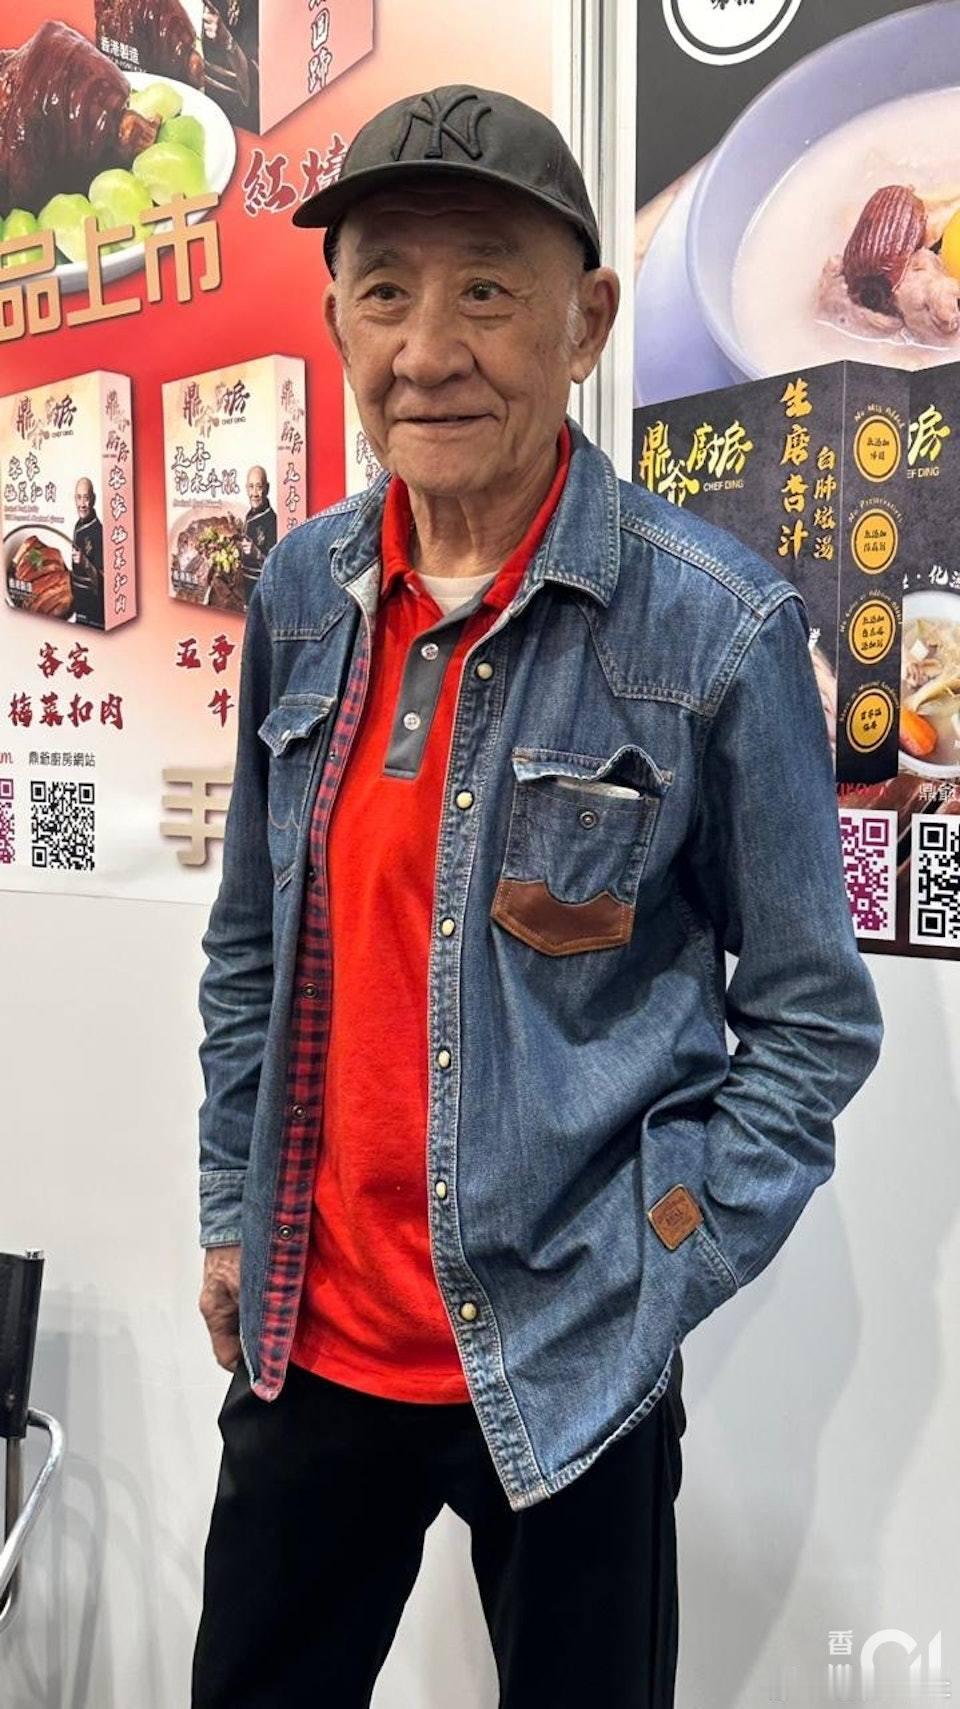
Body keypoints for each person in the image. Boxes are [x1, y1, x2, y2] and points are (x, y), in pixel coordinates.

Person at [192, 84, 883, 1709]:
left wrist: (659, 1256)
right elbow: (249, 946)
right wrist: (230, 1206)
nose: (429, 349)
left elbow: (811, 1024)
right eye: (384, 288)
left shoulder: (713, 625)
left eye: (488, 289)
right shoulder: (301, 591)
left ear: (587, 322)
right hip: (311, 1341)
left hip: (573, 1368)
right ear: (338, 321)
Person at [239, 464, 277, 602]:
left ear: (267, 488)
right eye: (251, 487)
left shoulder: (272, 521)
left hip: (260, 592)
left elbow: (275, 565)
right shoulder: (250, 515)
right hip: (243, 588)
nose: (254, 493)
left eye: (259, 487)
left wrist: (256, 553)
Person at [71, 476, 104, 627]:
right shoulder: (78, 525)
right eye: (79, 498)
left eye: (86, 498)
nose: (82, 504)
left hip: (94, 610)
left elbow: (104, 581)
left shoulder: (99, 531)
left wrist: (84, 562)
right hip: (78, 604)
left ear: (94, 499)